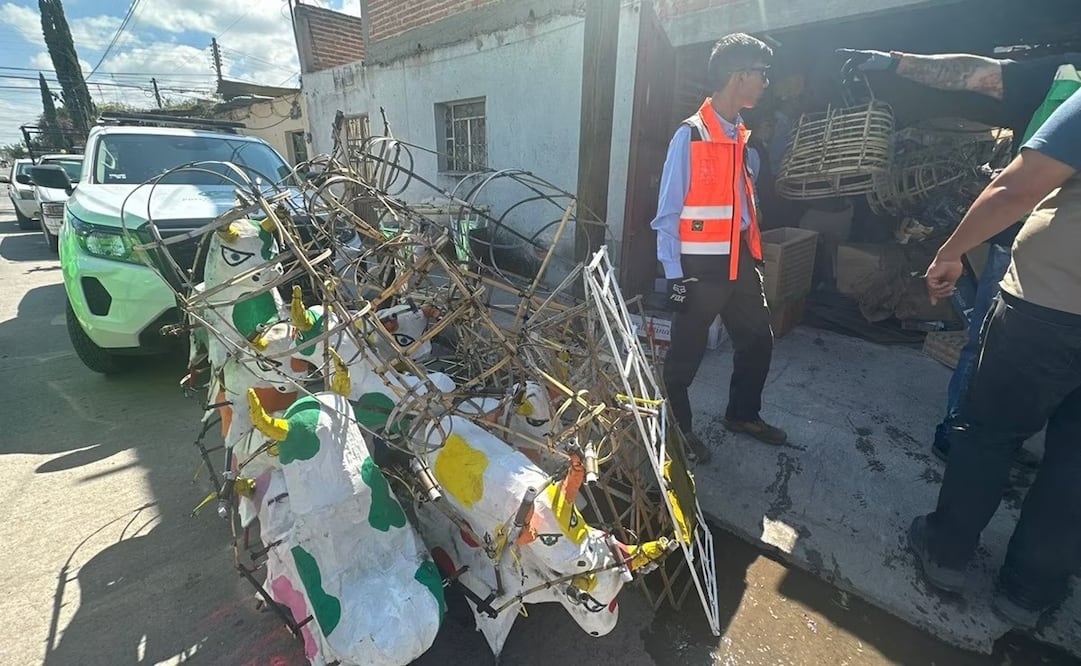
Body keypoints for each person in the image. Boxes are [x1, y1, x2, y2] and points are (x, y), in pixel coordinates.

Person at [840, 48, 1081, 461]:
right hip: (1029, 250)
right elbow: (975, 74)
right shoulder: (1066, 72)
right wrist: (895, 62)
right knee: (991, 345)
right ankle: (962, 435)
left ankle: (996, 445)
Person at [908, 89, 1081, 627]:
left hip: (1049, 307)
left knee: (989, 434)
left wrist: (950, 251)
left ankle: (945, 553)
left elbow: (1016, 188)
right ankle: (1029, 590)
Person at [651, 33, 786, 464]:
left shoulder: (743, 139)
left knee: (758, 339)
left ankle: (742, 414)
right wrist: (674, 277)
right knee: (684, 357)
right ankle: (677, 430)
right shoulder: (689, 137)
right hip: (699, 267)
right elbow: (667, 214)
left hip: (739, 261)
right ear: (739, 76)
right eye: (761, 74)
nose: (765, 83)